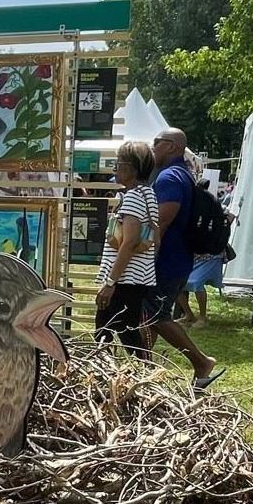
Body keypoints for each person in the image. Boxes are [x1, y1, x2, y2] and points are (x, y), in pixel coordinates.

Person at [149, 127, 222, 389]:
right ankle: (144, 368)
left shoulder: (169, 177)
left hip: (167, 260)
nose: (152, 147)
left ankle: (201, 362)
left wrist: (147, 254)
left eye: (156, 143)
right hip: (178, 259)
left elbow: (161, 221)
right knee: (148, 314)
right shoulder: (183, 174)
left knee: (154, 316)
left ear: (172, 147)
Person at [94, 139, 159, 358]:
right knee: (118, 329)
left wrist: (111, 282)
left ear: (132, 168)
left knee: (112, 330)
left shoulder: (132, 197)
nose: (114, 169)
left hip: (124, 280)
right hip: (135, 278)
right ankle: (132, 372)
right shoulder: (147, 194)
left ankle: (140, 373)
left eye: (118, 163)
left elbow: (129, 242)